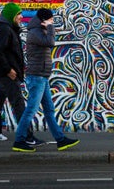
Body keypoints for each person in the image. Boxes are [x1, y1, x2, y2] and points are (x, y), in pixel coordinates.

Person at [12, 8, 79, 152]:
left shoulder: (38, 30)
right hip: (36, 77)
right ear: (44, 19)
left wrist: (48, 27)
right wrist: (50, 27)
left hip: (42, 76)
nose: (52, 21)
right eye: (51, 19)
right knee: (31, 110)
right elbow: (51, 42)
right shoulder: (35, 32)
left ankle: (60, 140)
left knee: (49, 110)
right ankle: (19, 140)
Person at [0, 2, 41, 147]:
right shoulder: (5, 29)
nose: (21, 17)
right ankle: (27, 135)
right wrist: (8, 70)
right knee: (19, 104)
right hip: (7, 75)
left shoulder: (10, 28)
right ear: (11, 15)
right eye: (18, 14)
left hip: (7, 74)